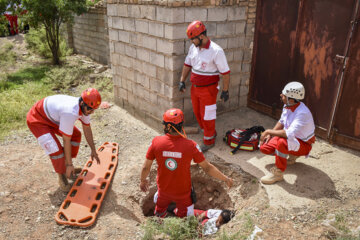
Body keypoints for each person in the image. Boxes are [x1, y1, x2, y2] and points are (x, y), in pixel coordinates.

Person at [140, 108, 233, 218]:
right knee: (185, 218)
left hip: (163, 191)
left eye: (164, 124)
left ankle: (160, 220)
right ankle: (180, 223)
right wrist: (225, 179)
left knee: (159, 211)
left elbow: (146, 167)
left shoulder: (156, 142)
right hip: (183, 194)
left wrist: (142, 181)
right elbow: (207, 168)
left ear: (169, 127)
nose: (163, 126)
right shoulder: (191, 146)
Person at [26, 88, 102, 191]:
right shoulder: (70, 112)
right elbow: (66, 140)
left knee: (76, 135)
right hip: (37, 119)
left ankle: (67, 167)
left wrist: (93, 149)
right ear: (83, 103)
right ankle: (61, 174)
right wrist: (70, 164)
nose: (92, 112)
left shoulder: (85, 109)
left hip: (53, 118)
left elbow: (87, 129)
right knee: (55, 149)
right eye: (90, 109)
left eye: (94, 110)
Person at [179, 20, 231, 152]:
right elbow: (187, 65)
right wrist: (182, 80)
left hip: (209, 90)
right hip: (195, 88)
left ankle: (209, 141)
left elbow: (225, 72)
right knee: (198, 113)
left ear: (201, 36)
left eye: (193, 39)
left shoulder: (216, 51)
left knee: (207, 116)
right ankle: (210, 132)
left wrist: (225, 90)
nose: (192, 42)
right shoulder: (193, 48)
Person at [259, 82, 315, 184]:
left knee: (281, 142)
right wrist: (270, 134)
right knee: (264, 147)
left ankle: (278, 173)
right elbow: (281, 121)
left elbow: (287, 134)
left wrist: (267, 131)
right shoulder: (288, 105)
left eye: (284, 95)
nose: (281, 95)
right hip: (292, 140)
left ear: (292, 99)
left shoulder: (302, 113)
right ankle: (290, 154)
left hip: (303, 144)